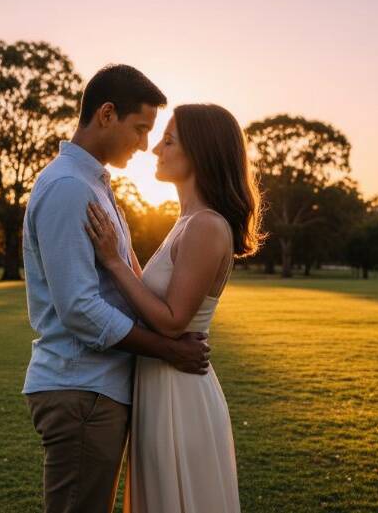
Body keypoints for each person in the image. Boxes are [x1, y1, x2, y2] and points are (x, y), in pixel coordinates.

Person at [22, 65, 211, 513]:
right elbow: (80, 308)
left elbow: (123, 281)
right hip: (81, 389)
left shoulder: (93, 185)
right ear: (107, 114)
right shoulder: (70, 187)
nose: (145, 144)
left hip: (96, 389)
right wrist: (167, 349)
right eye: (140, 128)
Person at [86, 103, 263, 513]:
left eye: (168, 140)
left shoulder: (205, 225)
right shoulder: (186, 221)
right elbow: (154, 294)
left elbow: (171, 322)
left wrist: (113, 260)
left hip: (179, 393)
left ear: (199, 153)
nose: (154, 150)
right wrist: (123, 248)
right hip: (160, 384)